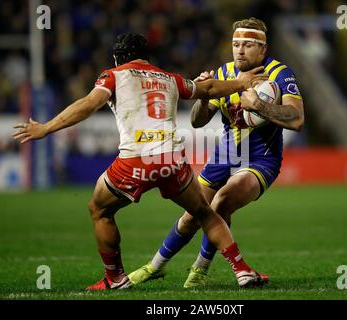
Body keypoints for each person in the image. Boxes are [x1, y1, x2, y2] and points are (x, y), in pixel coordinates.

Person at [12, 33, 268, 290]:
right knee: (204, 213)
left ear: (117, 58)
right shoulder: (169, 77)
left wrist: (46, 128)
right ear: (146, 57)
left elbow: (89, 104)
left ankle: (115, 278)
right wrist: (240, 83)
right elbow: (208, 89)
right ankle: (242, 270)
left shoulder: (112, 75)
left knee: (99, 210)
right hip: (171, 159)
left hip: (136, 160)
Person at [128, 17, 304, 288]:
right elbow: (198, 120)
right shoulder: (222, 75)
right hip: (223, 158)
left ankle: (199, 270)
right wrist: (204, 96)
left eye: (247, 44)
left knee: (221, 202)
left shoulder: (280, 74)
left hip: (260, 159)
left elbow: (297, 118)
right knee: (190, 217)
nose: (240, 50)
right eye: (236, 44)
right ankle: (155, 266)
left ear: (263, 49)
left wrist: (260, 106)